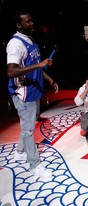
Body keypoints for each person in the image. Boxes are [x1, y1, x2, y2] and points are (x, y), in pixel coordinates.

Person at [6, 11, 59, 178]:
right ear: (19, 25)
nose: (32, 23)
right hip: (24, 93)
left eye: (32, 20)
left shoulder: (31, 40)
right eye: (28, 22)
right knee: (29, 130)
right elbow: (11, 71)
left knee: (28, 125)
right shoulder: (15, 44)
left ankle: (20, 152)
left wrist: (49, 79)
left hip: (34, 91)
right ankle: (35, 165)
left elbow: (36, 65)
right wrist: (40, 65)